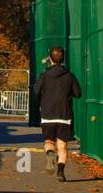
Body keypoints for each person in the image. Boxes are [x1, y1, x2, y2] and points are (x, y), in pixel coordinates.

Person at [34, 45, 82, 181]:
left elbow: (36, 91)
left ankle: (49, 154)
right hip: (64, 115)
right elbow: (78, 93)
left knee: (49, 141)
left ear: (50, 59)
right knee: (62, 146)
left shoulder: (44, 75)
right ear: (63, 59)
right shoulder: (69, 76)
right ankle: (60, 171)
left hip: (48, 114)